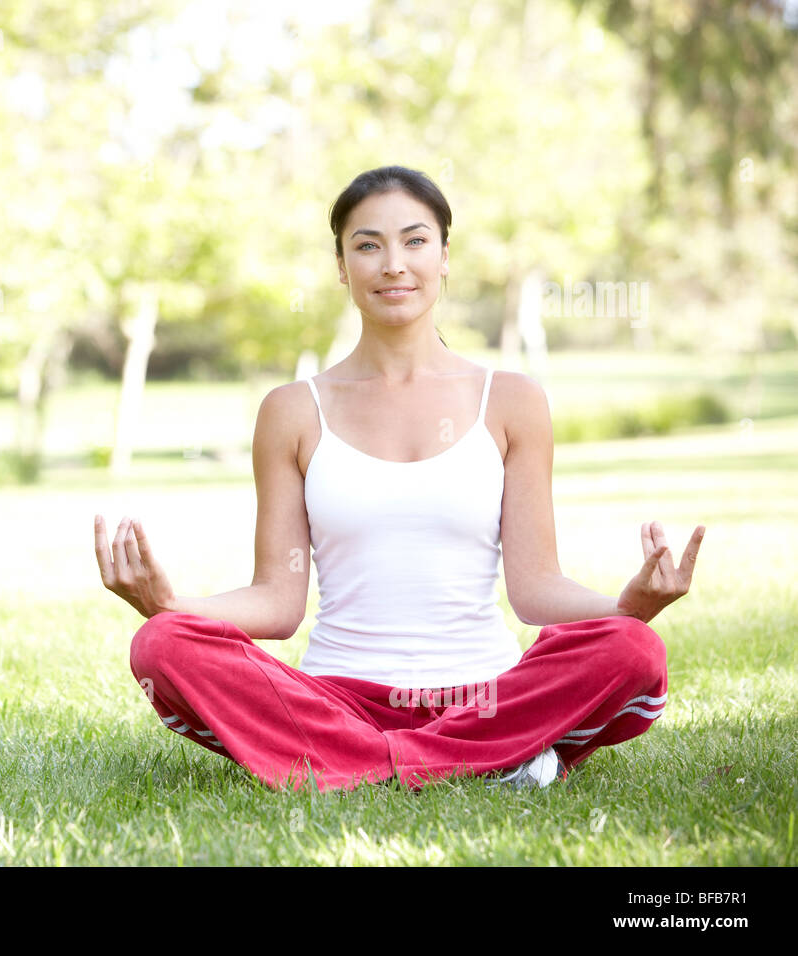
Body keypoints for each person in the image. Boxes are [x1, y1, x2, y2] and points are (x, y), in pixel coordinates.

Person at [93, 165, 706, 793]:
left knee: (632, 650)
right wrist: (171, 606)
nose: (393, 264)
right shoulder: (292, 410)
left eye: (415, 241)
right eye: (367, 245)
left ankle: (359, 764)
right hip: (338, 701)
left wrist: (627, 608)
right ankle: (482, 761)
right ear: (341, 266)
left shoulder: (511, 400)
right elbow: (278, 603)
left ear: (444, 258)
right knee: (162, 644)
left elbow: (534, 588)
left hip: (486, 698)